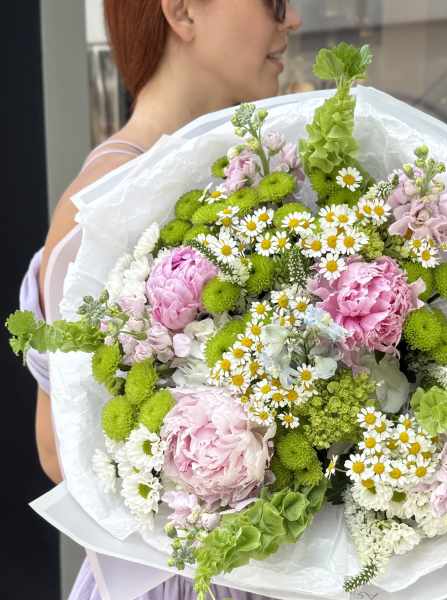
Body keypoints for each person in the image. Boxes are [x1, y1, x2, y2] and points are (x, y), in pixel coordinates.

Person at [22, 1, 302, 598]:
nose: (292, 20)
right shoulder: (109, 198)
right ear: (181, 11)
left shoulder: (249, 175)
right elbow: (58, 451)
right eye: (273, 2)